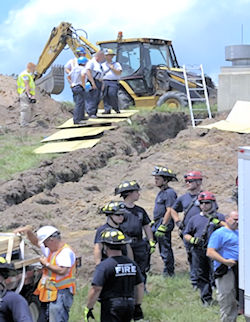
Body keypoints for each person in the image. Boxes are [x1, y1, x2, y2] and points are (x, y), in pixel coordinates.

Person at [14, 225, 76, 322]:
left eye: (45, 243)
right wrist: (28, 231)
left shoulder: (65, 252)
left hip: (61, 294)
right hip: (52, 293)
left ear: (51, 240)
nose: (44, 246)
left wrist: (46, 264)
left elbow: (62, 271)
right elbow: (36, 243)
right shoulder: (51, 250)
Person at [84, 227, 144, 322]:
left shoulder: (104, 266)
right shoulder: (132, 264)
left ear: (105, 246)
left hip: (111, 305)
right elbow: (140, 286)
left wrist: (89, 307)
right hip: (129, 304)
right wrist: (137, 306)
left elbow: (96, 288)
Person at [183, 191, 225, 306]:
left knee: (217, 274)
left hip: (216, 251)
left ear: (212, 203)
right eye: (202, 203)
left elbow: (229, 229)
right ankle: (206, 299)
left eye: (207, 203)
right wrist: (192, 240)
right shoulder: (194, 219)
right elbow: (186, 233)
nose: (204, 205)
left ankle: (222, 297)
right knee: (202, 275)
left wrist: (218, 223)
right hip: (199, 250)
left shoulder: (220, 217)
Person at [114, 180, 155, 285]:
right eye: (136, 192)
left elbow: (146, 226)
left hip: (139, 244)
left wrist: (151, 241)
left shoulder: (140, 211)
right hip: (124, 244)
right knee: (125, 268)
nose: (139, 194)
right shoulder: (119, 211)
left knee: (141, 268)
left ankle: (141, 288)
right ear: (129, 193)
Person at [170, 171, 204, 289]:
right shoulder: (183, 198)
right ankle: (195, 282)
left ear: (198, 182)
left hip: (203, 232)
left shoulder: (205, 196)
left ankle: (207, 281)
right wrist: (177, 221)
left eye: (190, 181)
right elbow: (173, 209)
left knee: (205, 257)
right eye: (186, 181)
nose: (187, 183)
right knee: (191, 256)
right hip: (188, 232)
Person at [207, 210, 239, 322]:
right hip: (226, 270)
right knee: (227, 300)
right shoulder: (220, 233)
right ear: (227, 219)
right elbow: (210, 252)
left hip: (240, 270)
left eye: (239, 219)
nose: (237, 222)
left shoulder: (241, 233)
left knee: (240, 301)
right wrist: (225, 261)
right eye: (235, 219)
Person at [151, 166, 178, 277]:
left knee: (165, 249)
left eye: (158, 178)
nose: (155, 180)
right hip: (157, 223)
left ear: (165, 180)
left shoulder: (169, 193)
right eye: (155, 178)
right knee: (147, 245)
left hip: (163, 224)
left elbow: (170, 210)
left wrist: (163, 225)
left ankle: (169, 273)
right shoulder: (161, 193)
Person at [94, 201, 133, 265]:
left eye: (122, 214)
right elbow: (98, 248)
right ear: (109, 215)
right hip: (107, 265)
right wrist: (98, 265)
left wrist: (131, 263)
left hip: (122, 264)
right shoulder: (102, 230)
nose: (121, 217)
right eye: (117, 214)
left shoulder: (123, 229)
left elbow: (128, 247)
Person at [67, 56, 89, 124]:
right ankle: (77, 120)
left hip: (74, 87)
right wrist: (83, 85)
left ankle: (81, 117)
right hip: (79, 87)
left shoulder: (74, 68)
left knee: (79, 103)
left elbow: (68, 76)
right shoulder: (83, 69)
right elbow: (83, 75)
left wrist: (71, 83)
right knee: (79, 104)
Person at [85, 50, 105, 118]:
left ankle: (94, 112)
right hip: (93, 81)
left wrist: (102, 84)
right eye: (102, 56)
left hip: (99, 81)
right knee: (92, 97)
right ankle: (91, 113)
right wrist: (92, 82)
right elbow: (88, 71)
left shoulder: (99, 64)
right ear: (99, 56)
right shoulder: (91, 62)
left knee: (97, 97)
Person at [102, 48, 122, 114]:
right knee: (105, 95)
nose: (109, 56)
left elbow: (119, 72)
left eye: (110, 55)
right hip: (104, 81)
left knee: (112, 94)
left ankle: (116, 108)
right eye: (107, 55)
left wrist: (112, 68)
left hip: (113, 81)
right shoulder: (102, 65)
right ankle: (107, 110)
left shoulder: (116, 64)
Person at [17, 62, 36, 127]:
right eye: (34, 68)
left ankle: (27, 123)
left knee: (30, 109)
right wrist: (29, 95)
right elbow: (26, 84)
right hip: (25, 93)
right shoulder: (25, 74)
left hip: (27, 93)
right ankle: (24, 124)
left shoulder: (28, 74)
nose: (34, 70)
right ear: (30, 68)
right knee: (25, 108)